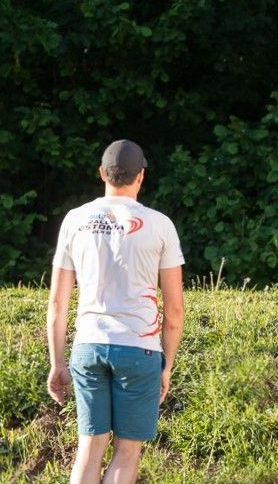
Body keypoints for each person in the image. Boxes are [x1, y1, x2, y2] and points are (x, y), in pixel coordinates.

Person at [46, 139, 185, 484]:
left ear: (102, 174)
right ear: (141, 176)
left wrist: (57, 362)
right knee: (126, 452)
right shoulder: (160, 225)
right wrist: (166, 365)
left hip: (88, 347)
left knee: (89, 448)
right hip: (140, 350)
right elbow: (175, 309)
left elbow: (57, 303)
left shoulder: (74, 220)